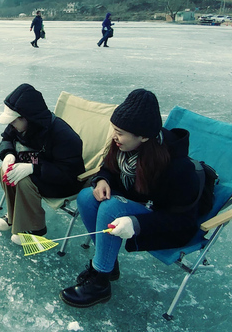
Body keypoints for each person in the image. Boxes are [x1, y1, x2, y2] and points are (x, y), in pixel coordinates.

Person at [59, 89, 201, 308]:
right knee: (87, 197)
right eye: (114, 129)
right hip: (138, 206)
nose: (114, 136)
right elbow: (107, 169)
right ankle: (108, 263)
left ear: (144, 136)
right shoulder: (124, 148)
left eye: (120, 132)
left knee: (112, 207)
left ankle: (100, 282)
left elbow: (184, 221)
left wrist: (137, 223)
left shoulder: (178, 168)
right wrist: (102, 180)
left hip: (165, 222)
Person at [0, 84, 84, 245]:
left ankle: (35, 228)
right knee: (5, 170)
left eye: (13, 121)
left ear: (26, 117)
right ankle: (14, 215)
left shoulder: (63, 135)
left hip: (61, 182)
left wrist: (33, 168)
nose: (11, 125)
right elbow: (6, 139)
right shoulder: (20, 126)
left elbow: (68, 174)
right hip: (37, 169)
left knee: (22, 180)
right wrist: (8, 154)